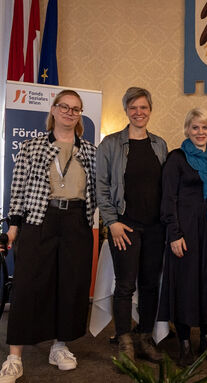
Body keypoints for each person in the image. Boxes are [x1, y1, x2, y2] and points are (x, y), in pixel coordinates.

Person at [0, 90, 97, 381]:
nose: (70, 112)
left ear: (80, 115)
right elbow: (17, 190)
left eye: (76, 109)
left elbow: (99, 190)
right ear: (53, 110)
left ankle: (60, 345)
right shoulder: (32, 147)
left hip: (77, 222)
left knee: (69, 285)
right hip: (40, 219)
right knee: (27, 286)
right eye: (64, 107)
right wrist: (13, 228)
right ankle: (14, 357)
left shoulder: (91, 150)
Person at [96, 87, 168, 362]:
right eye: (133, 108)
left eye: (144, 108)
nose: (139, 113)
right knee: (125, 285)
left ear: (150, 110)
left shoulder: (159, 144)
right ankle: (125, 341)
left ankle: (144, 337)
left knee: (150, 284)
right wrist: (112, 222)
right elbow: (101, 186)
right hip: (124, 226)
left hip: (154, 228)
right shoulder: (111, 144)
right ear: (126, 110)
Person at [157, 108, 207, 366]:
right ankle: (184, 343)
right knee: (185, 286)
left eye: (205, 127)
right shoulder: (177, 158)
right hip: (184, 233)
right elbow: (168, 199)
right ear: (187, 129)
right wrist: (174, 234)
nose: (200, 132)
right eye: (195, 127)